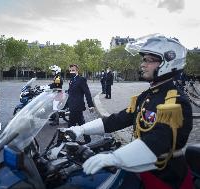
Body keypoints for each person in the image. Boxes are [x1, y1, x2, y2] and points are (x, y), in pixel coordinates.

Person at [66, 35, 193, 189]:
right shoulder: (148, 95)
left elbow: (158, 141)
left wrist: (115, 158)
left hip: (165, 179)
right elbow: (119, 119)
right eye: (143, 59)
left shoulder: (175, 101)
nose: (142, 64)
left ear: (168, 62)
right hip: (142, 170)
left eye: (149, 60)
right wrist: (82, 129)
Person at [67, 64, 95, 143]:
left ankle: (68, 140)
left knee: (71, 124)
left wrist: (90, 105)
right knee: (80, 123)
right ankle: (87, 139)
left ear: (77, 70)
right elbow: (71, 92)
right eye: (70, 70)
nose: (71, 72)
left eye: (73, 70)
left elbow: (87, 93)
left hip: (77, 106)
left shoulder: (81, 79)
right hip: (72, 105)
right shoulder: (72, 79)